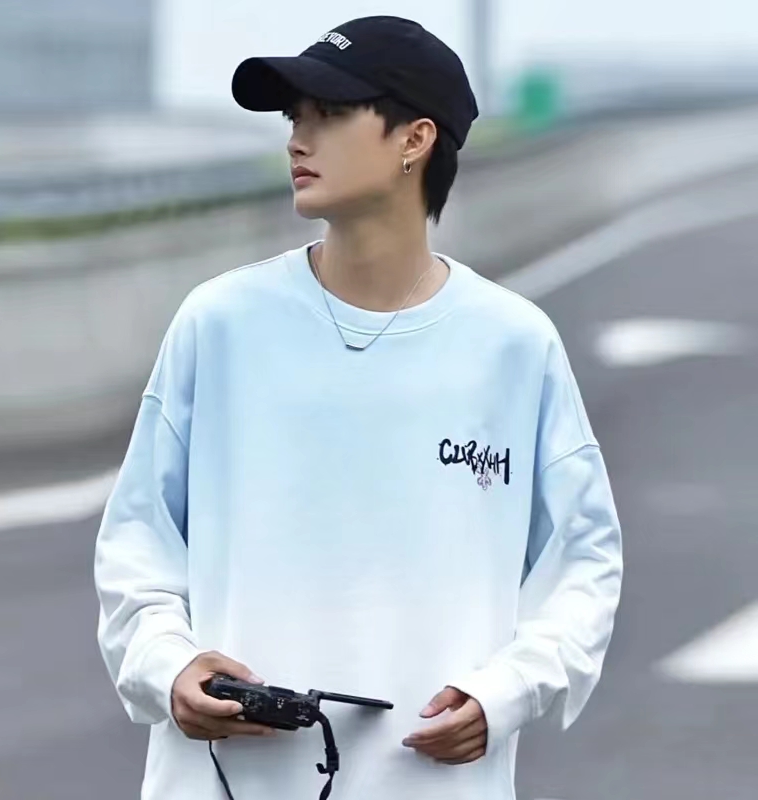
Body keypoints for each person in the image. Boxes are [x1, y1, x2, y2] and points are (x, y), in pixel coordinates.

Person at [94, 15, 623, 800]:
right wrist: (168, 666)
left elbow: (584, 561)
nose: (297, 139)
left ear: (415, 139)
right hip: (227, 780)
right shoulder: (221, 322)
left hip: (433, 781)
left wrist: (507, 693)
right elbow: (136, 543)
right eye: (294, 117)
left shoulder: (513, 344)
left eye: (330, 114)